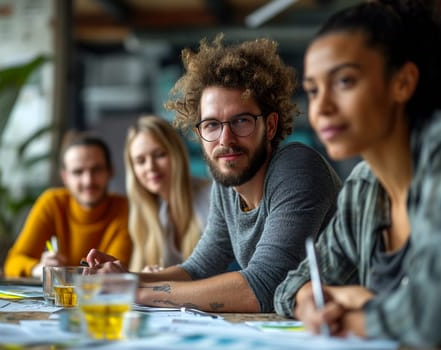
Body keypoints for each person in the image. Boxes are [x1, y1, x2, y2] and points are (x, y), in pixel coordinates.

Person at [273, 0, 441, 347]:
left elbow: (430, 322)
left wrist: (361, 309)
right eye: (313, 90)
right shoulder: (363, 187)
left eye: (344, 81)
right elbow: (288, 289)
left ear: (402, 82)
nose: (322, 107)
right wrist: (310, 304)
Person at [86, 34, 342, 313]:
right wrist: (125, 278)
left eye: (241, 121)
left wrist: (136, 290)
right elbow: (198, 269)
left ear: (269, 126)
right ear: (199, 133)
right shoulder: (227, 184)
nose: (225, 140)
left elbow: (265, 286)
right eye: (211, 125)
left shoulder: (296, 167)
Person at [4, 131, 133, 278]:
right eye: (78, 172)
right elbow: (13, 261)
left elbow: (112, 271)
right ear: (65, 177)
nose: (88, 181)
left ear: (110, 171)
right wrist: (39, 269)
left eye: (96, 170)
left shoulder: (125, 208)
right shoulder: (51, 203)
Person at [124, 114, 211, 272]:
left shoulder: (210, 197)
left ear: (176, 154)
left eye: (159, 155)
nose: (150, 167)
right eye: (140, 161)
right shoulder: (151, 211)